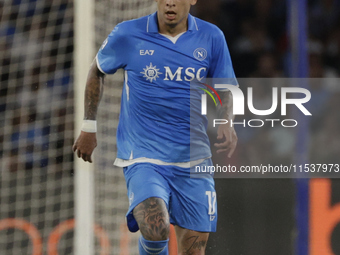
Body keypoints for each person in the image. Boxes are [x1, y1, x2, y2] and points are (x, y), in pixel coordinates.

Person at [73, 0, 238, 254]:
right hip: (144, 156)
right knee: (155, 228)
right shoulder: (128, 33)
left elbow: (226, 87)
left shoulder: (212, 37)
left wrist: (227, 120)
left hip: (194, 160)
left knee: (194, 249)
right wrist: (88, 125)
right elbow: (97, 70)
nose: (170, 2)